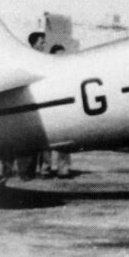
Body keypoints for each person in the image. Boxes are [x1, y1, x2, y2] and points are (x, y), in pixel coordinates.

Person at [2, 31, 48, 179]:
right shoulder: (30, 59)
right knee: (22, 142)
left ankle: (22, 172)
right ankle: (20, 172)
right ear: (34, 43)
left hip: (26, 105)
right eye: (42, 42)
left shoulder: (34, 58)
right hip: (22, 105)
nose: (44, 45)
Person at [40, 45, 73, 179]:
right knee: (47, 141)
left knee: (64, 141)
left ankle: (63, 169)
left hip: (64, 111)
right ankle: (46, 168)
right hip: (50, 111)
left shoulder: (67, 73)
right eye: (60, 55)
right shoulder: (47, 72)